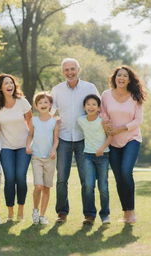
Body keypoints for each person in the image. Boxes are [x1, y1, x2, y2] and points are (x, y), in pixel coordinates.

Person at [51, 58, 99, 223]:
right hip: (64, 138)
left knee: (86, 179)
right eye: (66, 70)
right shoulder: (57, 90)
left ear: (78, 70)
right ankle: (62, 213)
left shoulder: (89, 87)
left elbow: (98, 109)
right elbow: (50, 112)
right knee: (62, 178)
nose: (69, 72)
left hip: (84, 138)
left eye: (72, 69)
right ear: (62, 72)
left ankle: (89, 214)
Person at [101, 66, 145, 224]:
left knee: (126, 172)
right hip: (112, 141)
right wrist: (106, 124)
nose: (122, 78)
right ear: (115, 78)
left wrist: (121, 128)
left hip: (131, 139)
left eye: (125, 76)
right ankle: (126, 213)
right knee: (119, 177)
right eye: (119, 75)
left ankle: (131, 212)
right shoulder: (106, 95)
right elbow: (103, 112)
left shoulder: (135, 96)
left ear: (129, 79)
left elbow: (138, 120)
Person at [0, 74, 32, 221]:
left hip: (23, 146)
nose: (10, 85)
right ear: (0, 87)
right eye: (6, 83)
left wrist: (30, 144)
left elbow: (31, 125)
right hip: (5, 146)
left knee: (20, 177)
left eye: (11, 83)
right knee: (10, 178)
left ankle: (20, 210)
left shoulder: (22, 102)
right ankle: (10, 212)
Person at [26, 92, 60, 225]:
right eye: (40, 103)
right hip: (37, 157)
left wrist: (53, 150)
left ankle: (42, 215)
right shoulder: (33, 120)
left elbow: (56, 140)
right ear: (36, 106)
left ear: (50, 104)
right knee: (38, 186)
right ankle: (35, 210)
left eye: (46, 102)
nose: (43, 105)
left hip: (50, 158)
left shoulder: (54, 122)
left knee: (46, 187)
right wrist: (28, 146)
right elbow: (30, 135)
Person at [77, 94, 111, 225]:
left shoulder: (102, 121)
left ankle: (105, 215)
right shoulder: (80, 120)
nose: (90, 106)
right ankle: (89, 215)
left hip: (103, 156)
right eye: (88, 104)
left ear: (98, 108)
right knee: (88, 186)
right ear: (84, 107)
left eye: (94, 104)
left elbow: (110, 137)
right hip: (88, 157)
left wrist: (102, 148)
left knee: (103, 187)